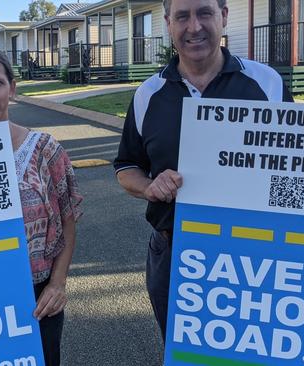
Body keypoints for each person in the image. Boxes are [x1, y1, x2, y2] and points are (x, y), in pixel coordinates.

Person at [114, 0, 294, 340]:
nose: (194, 26)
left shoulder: (266, 83)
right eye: (182, 16)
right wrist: (149, 186)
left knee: (253, 350)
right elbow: (127, 165)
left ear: (223, 17)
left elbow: (297, 165)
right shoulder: (148, 95)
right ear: (168, 23)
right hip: (174, 252)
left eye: (204, 13)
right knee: (183, 351)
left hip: (254, 254)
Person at [0, 47, 82, 366]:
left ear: (11, 88)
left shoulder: (44, 150)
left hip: (39, 296)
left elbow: (68, 221)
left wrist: (57, 283)